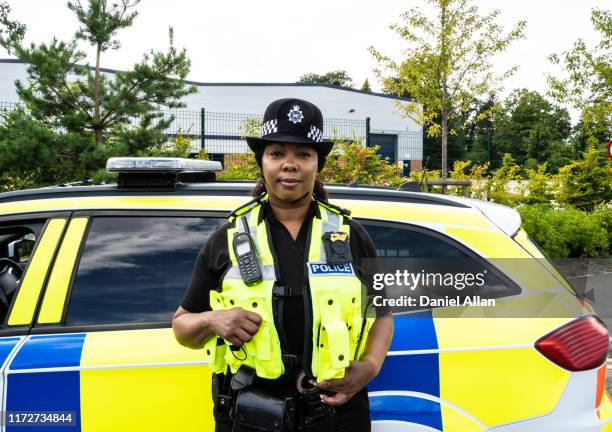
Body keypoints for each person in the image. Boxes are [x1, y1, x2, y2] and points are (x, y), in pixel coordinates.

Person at [172, 98, 393, 432]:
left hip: (337, 417)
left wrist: (372, 365)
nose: (290, 165)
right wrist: (213, 319)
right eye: (277, 153)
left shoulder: (350, 235)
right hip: (251, 416)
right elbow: (182, 327)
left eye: (303, 154)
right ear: (262, 162)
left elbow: (381, 315)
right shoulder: (227, 238)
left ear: (318, 164)